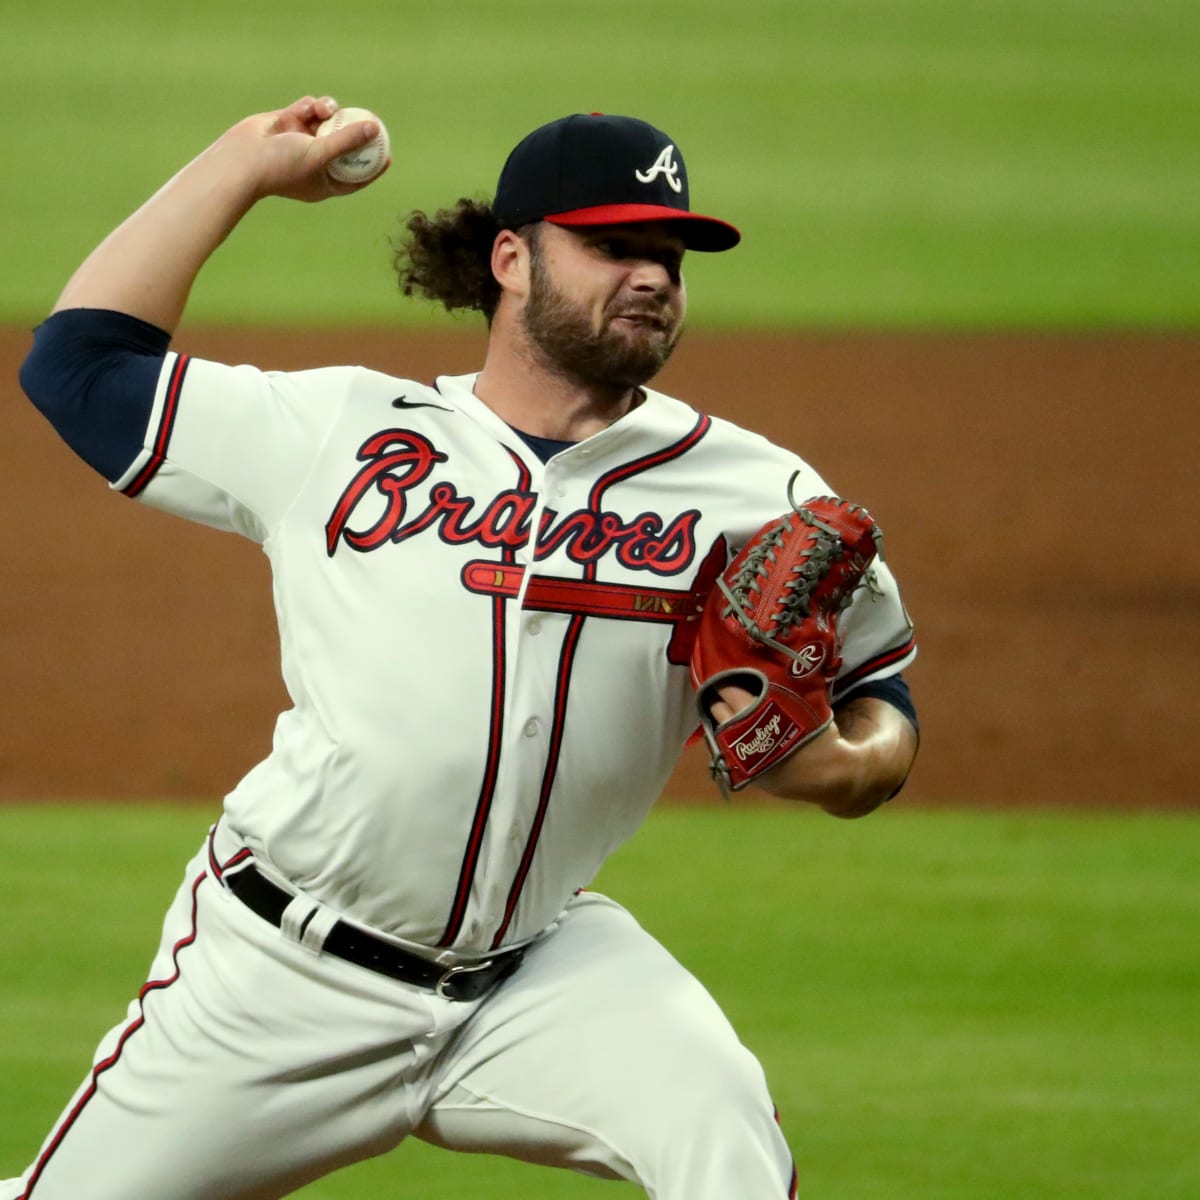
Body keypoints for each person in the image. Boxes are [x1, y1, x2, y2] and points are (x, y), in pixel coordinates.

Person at [8, 96, 918, 1200]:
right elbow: (80, 369)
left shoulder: (758, 492)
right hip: (282, 977)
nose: (651, 276)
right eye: (612, 246)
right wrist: (241, 165)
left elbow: (880, 690)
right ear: (511, 258)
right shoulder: (341, 432)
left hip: (538, 977)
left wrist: (850, 766)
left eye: (670, 256)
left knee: (723, 1134)